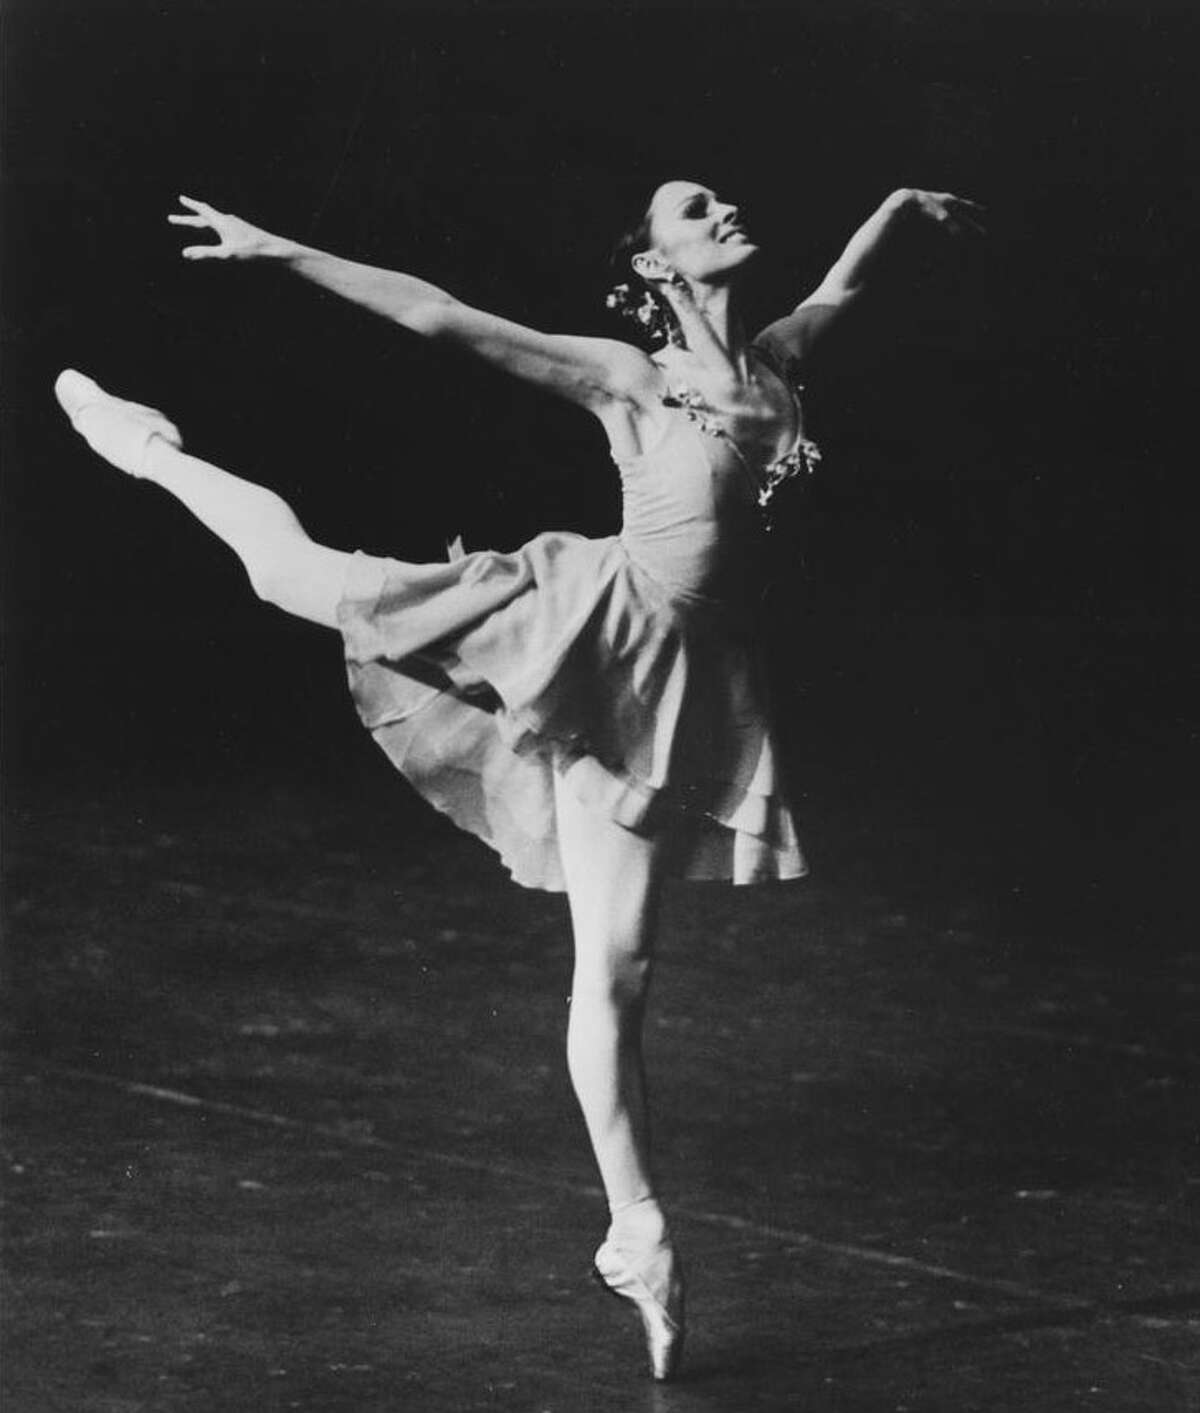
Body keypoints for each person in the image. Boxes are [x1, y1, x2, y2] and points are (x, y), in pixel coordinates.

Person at [54, 179, 982, 1379]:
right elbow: (441, 316)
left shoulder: (778, 359)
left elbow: (845, 283)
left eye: (720, 198)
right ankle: (147, 448)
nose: (723, 209)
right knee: (292, 574)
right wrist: (278, 249)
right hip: (589, 635)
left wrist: (897, 209)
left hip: (685, 690)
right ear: (651, 266)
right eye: (692, 208)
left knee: (622, 973)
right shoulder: (630, 379)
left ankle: (634, 1236)